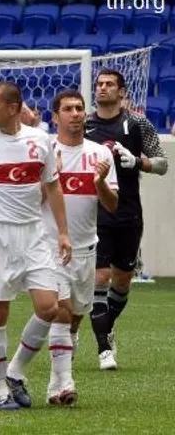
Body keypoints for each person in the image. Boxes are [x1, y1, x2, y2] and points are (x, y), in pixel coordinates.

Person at [0, 81, 72, 411]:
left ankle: (15, 370)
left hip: (34, 234)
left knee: (50, 307)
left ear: (12, 108)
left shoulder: (39, 141)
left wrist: (63, 233)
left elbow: (53, 188)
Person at [8, 90, 119, 407]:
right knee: (60, 310)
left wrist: (99, 183)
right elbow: (31, 202)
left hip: (86, 248)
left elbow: (111, 206)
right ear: (55, 117)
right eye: (68, 109)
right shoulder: (45, 151)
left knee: (73, 318)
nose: (75, 113)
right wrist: (49, 177)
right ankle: (64, 382)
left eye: (79, 108)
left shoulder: (101, 154)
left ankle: (43, 383)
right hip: (47, 245)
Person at [84, 69, 168, 370]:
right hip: (96, 212)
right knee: (101, 277)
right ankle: (104, 347)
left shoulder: (137, 123)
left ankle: (105, 324)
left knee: (122, 281)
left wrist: (138, 162)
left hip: (129, 211)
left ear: (122, 91)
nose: (103, 88)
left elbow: (162, 164)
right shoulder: (85, 125)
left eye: (109, 84)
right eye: (99, 84)